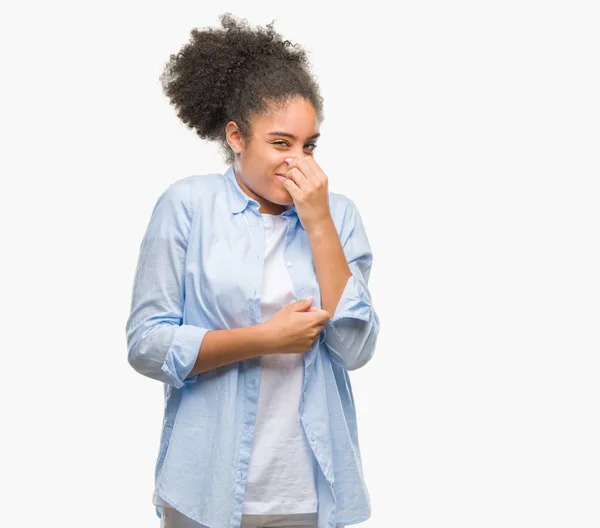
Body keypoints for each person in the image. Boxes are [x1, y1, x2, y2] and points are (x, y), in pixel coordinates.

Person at [125, 13, 380, 528]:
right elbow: (147, 344)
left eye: (309, 146)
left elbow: (355, 349)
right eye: (280, 143)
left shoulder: (338, 215)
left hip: (307, 490)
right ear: (237, 137)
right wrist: (263, 338)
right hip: (204, 484)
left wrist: (318, 221)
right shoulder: (187, 205)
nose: (298, 162)